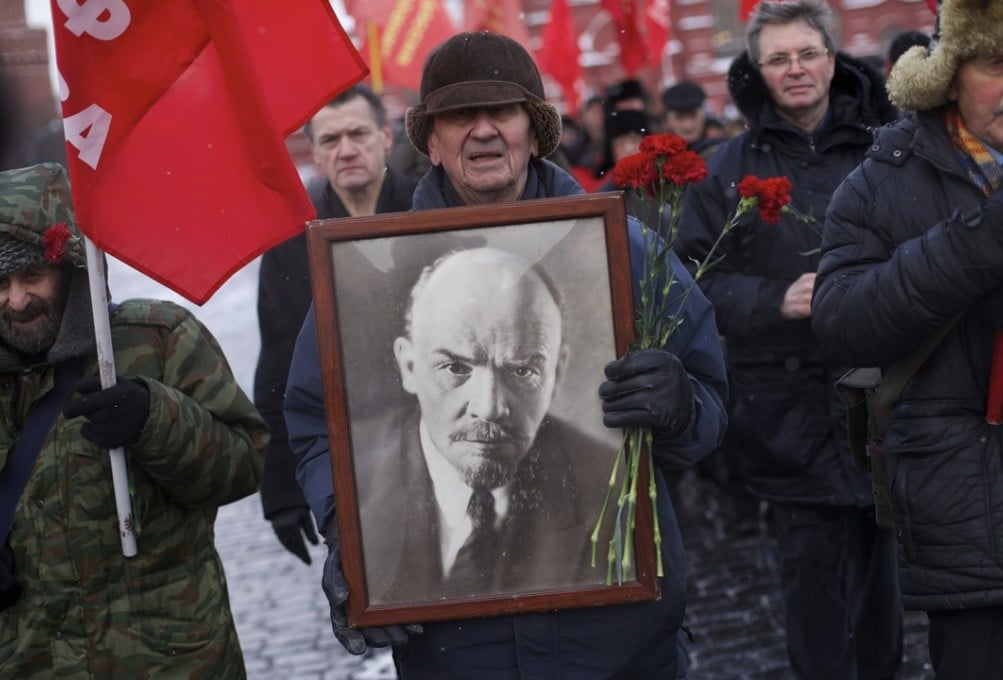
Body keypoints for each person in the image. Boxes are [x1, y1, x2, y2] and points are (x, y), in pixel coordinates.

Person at [285, 31, 728, 678]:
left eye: (504, 112)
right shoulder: (370, 275)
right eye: (460, 116)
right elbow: (315, 422)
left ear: (536, 130)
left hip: (616, 639)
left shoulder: (622, 252)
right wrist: (352, 534)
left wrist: (681, 406)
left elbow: (712, 402)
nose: (484, 131)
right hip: (456, 646)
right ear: (430, 142)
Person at [675, 2, 901, 678]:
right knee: (811, 584)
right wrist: (772, 299)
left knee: (883, 577)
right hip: (786, 407)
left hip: (883, 398)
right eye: (778, 58)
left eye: (807, 53)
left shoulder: (886, 147)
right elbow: (690, 282)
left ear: (832, 59)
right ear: (758, 69)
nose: (795, 69)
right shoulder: (729, 167)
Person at [813, 0, 1003, 677]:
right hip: (971, 525)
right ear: (952, 74)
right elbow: (843, 322)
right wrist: (983, 242)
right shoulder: (883, 181)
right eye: (999, 63)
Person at [0, 163, 268, 676]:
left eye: (32, 275)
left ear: (71, 269)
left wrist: (156, 419)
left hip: (167, 661)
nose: (17, 299)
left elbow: (244, 462)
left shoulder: (157, 337)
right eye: (1, 282)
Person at [360, 247, 617, 604]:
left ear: (556, 374)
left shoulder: (614, 488)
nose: (490, 407)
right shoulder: (349, 481)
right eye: (455, 368)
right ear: (409, 367)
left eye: (522, 370)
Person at [254, 84, 416, 565]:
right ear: (316, 153)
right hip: (345, 448)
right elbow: (279, 364)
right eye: (330, 140)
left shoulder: (429, 210)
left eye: (358, 134)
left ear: (386, 137)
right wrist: (281, 489)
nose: (346, 150)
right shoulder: (289, 241)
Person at [660, 81, 726, 158]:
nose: (688, 125)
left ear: (704, 116)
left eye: (694, 116)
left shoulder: (721, 151)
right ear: (667, 121)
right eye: (679, 118)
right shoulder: (661, 157)